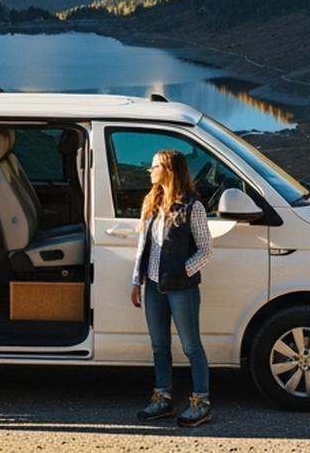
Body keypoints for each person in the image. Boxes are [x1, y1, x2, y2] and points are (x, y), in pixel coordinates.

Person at [129, 149, 213, 427]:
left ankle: (201, 402)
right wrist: (136, 282)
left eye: (155, 166)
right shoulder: (151, 201)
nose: (150, 171)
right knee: (159, 346)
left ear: (170, 169)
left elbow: (206, 250)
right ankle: (162, 398)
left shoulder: (193, 206)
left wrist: (182, 271)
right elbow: (144, 246)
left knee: (191, 347)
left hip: (182, 289)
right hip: (153, 286)